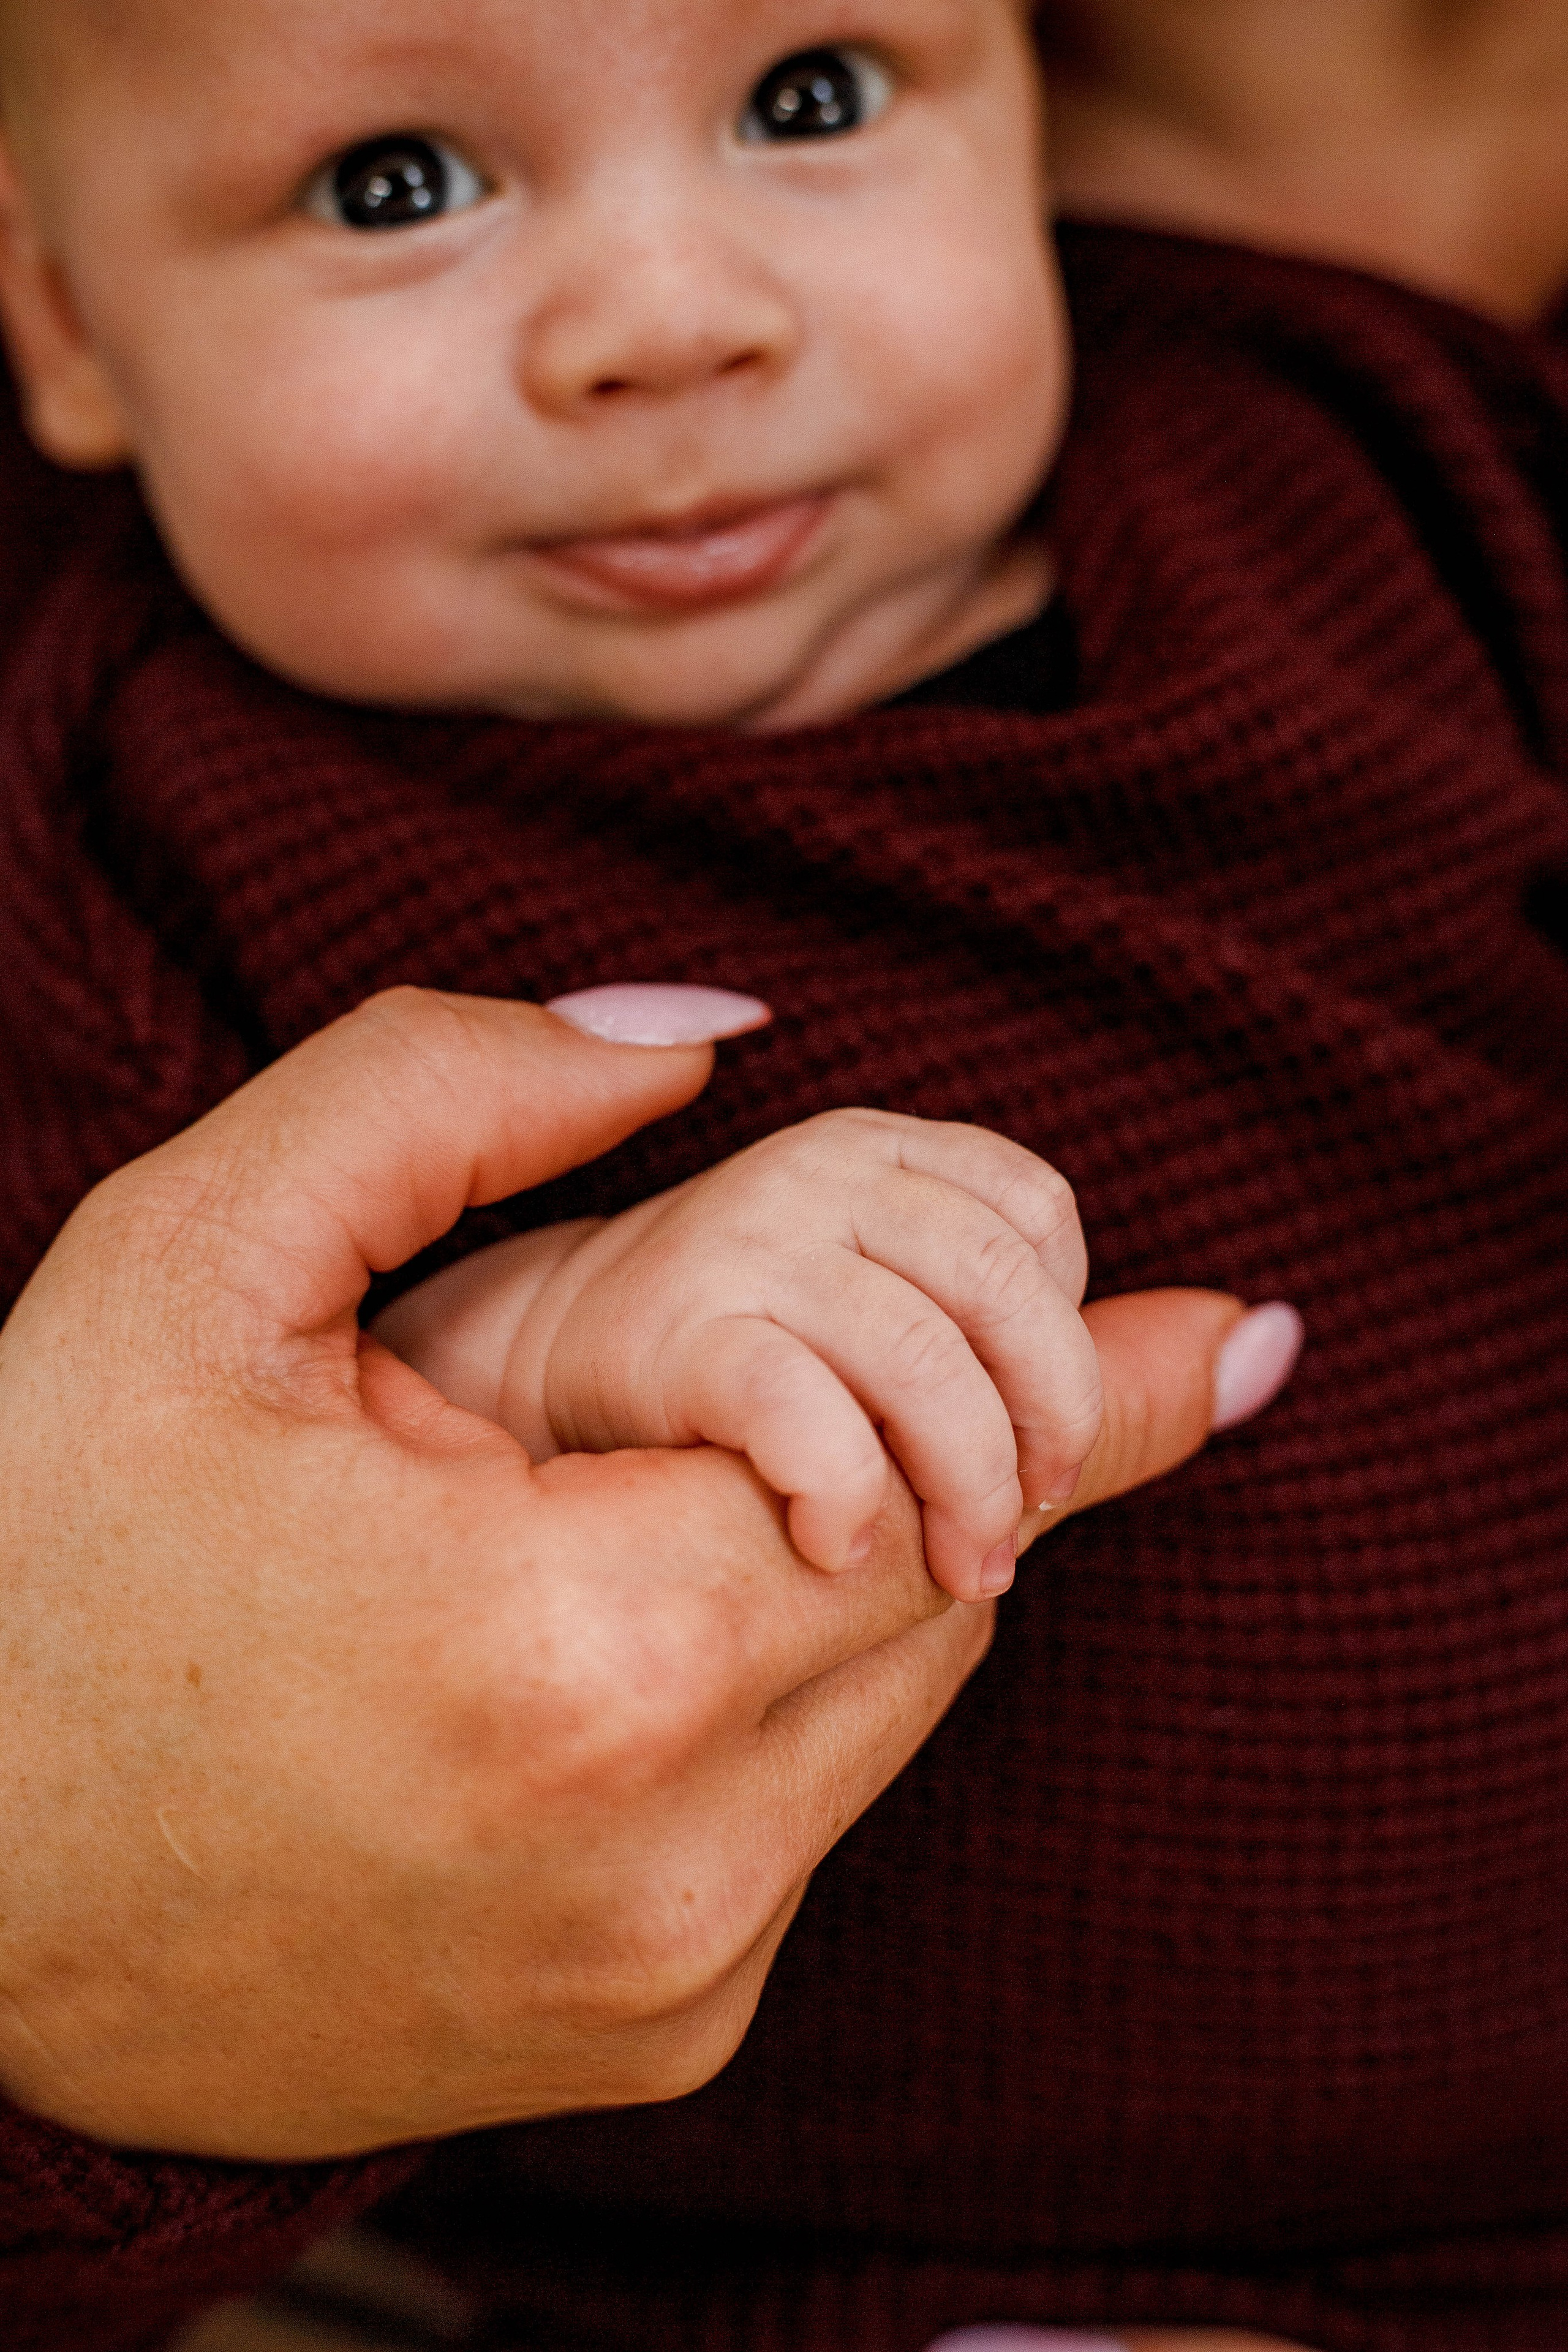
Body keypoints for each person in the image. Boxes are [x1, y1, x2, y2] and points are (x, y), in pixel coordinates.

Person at [0, 4, 1564, 2351]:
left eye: (809, 100)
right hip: (871, 2273)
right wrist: (520, 1339)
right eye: (397, 182)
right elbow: (106, 1581)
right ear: (67, 320)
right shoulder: (122, 836)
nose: (672, 322)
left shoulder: (1361, 454)